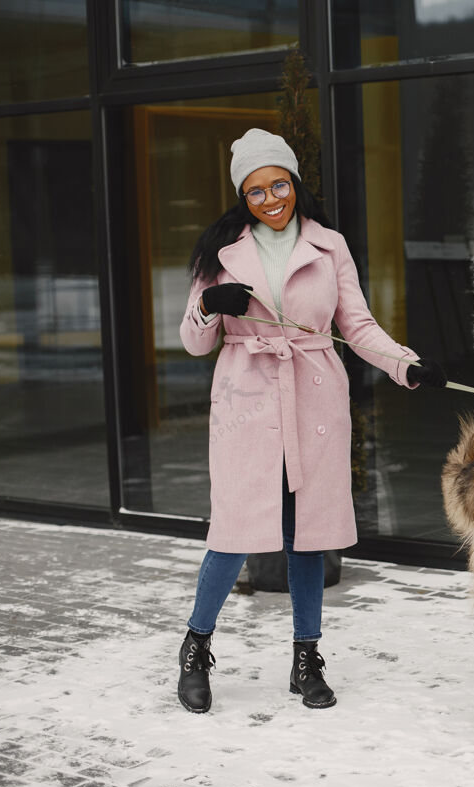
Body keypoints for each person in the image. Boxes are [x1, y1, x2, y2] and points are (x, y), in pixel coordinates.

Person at [175, 128, 446, 713]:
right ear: (241, 197)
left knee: (308, 537)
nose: (270, 199)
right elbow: (194, 342)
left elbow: (359, 327)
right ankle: (196, 648)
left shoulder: (330, 246)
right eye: (255, 191)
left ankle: (306, 658)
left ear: (293, 182)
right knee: (233, 533)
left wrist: (409, 367)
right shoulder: (218, 250)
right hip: (246, 401)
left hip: (314, 400)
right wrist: (207, 307)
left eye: (278, 184)